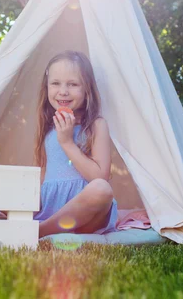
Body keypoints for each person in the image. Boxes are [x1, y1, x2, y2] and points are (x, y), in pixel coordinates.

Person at [34, 50, 118, 238]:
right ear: (46, 86)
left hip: (88, 216)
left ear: (87, 89)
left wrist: (67, 142)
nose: (63, 91)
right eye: (55, 83)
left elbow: (100, 177)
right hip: (53, 210)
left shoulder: (97, 125)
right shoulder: (48, 127)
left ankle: (39, 232)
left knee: (102, 190)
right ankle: (47, 226)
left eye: (72, 84)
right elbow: (44, 173)